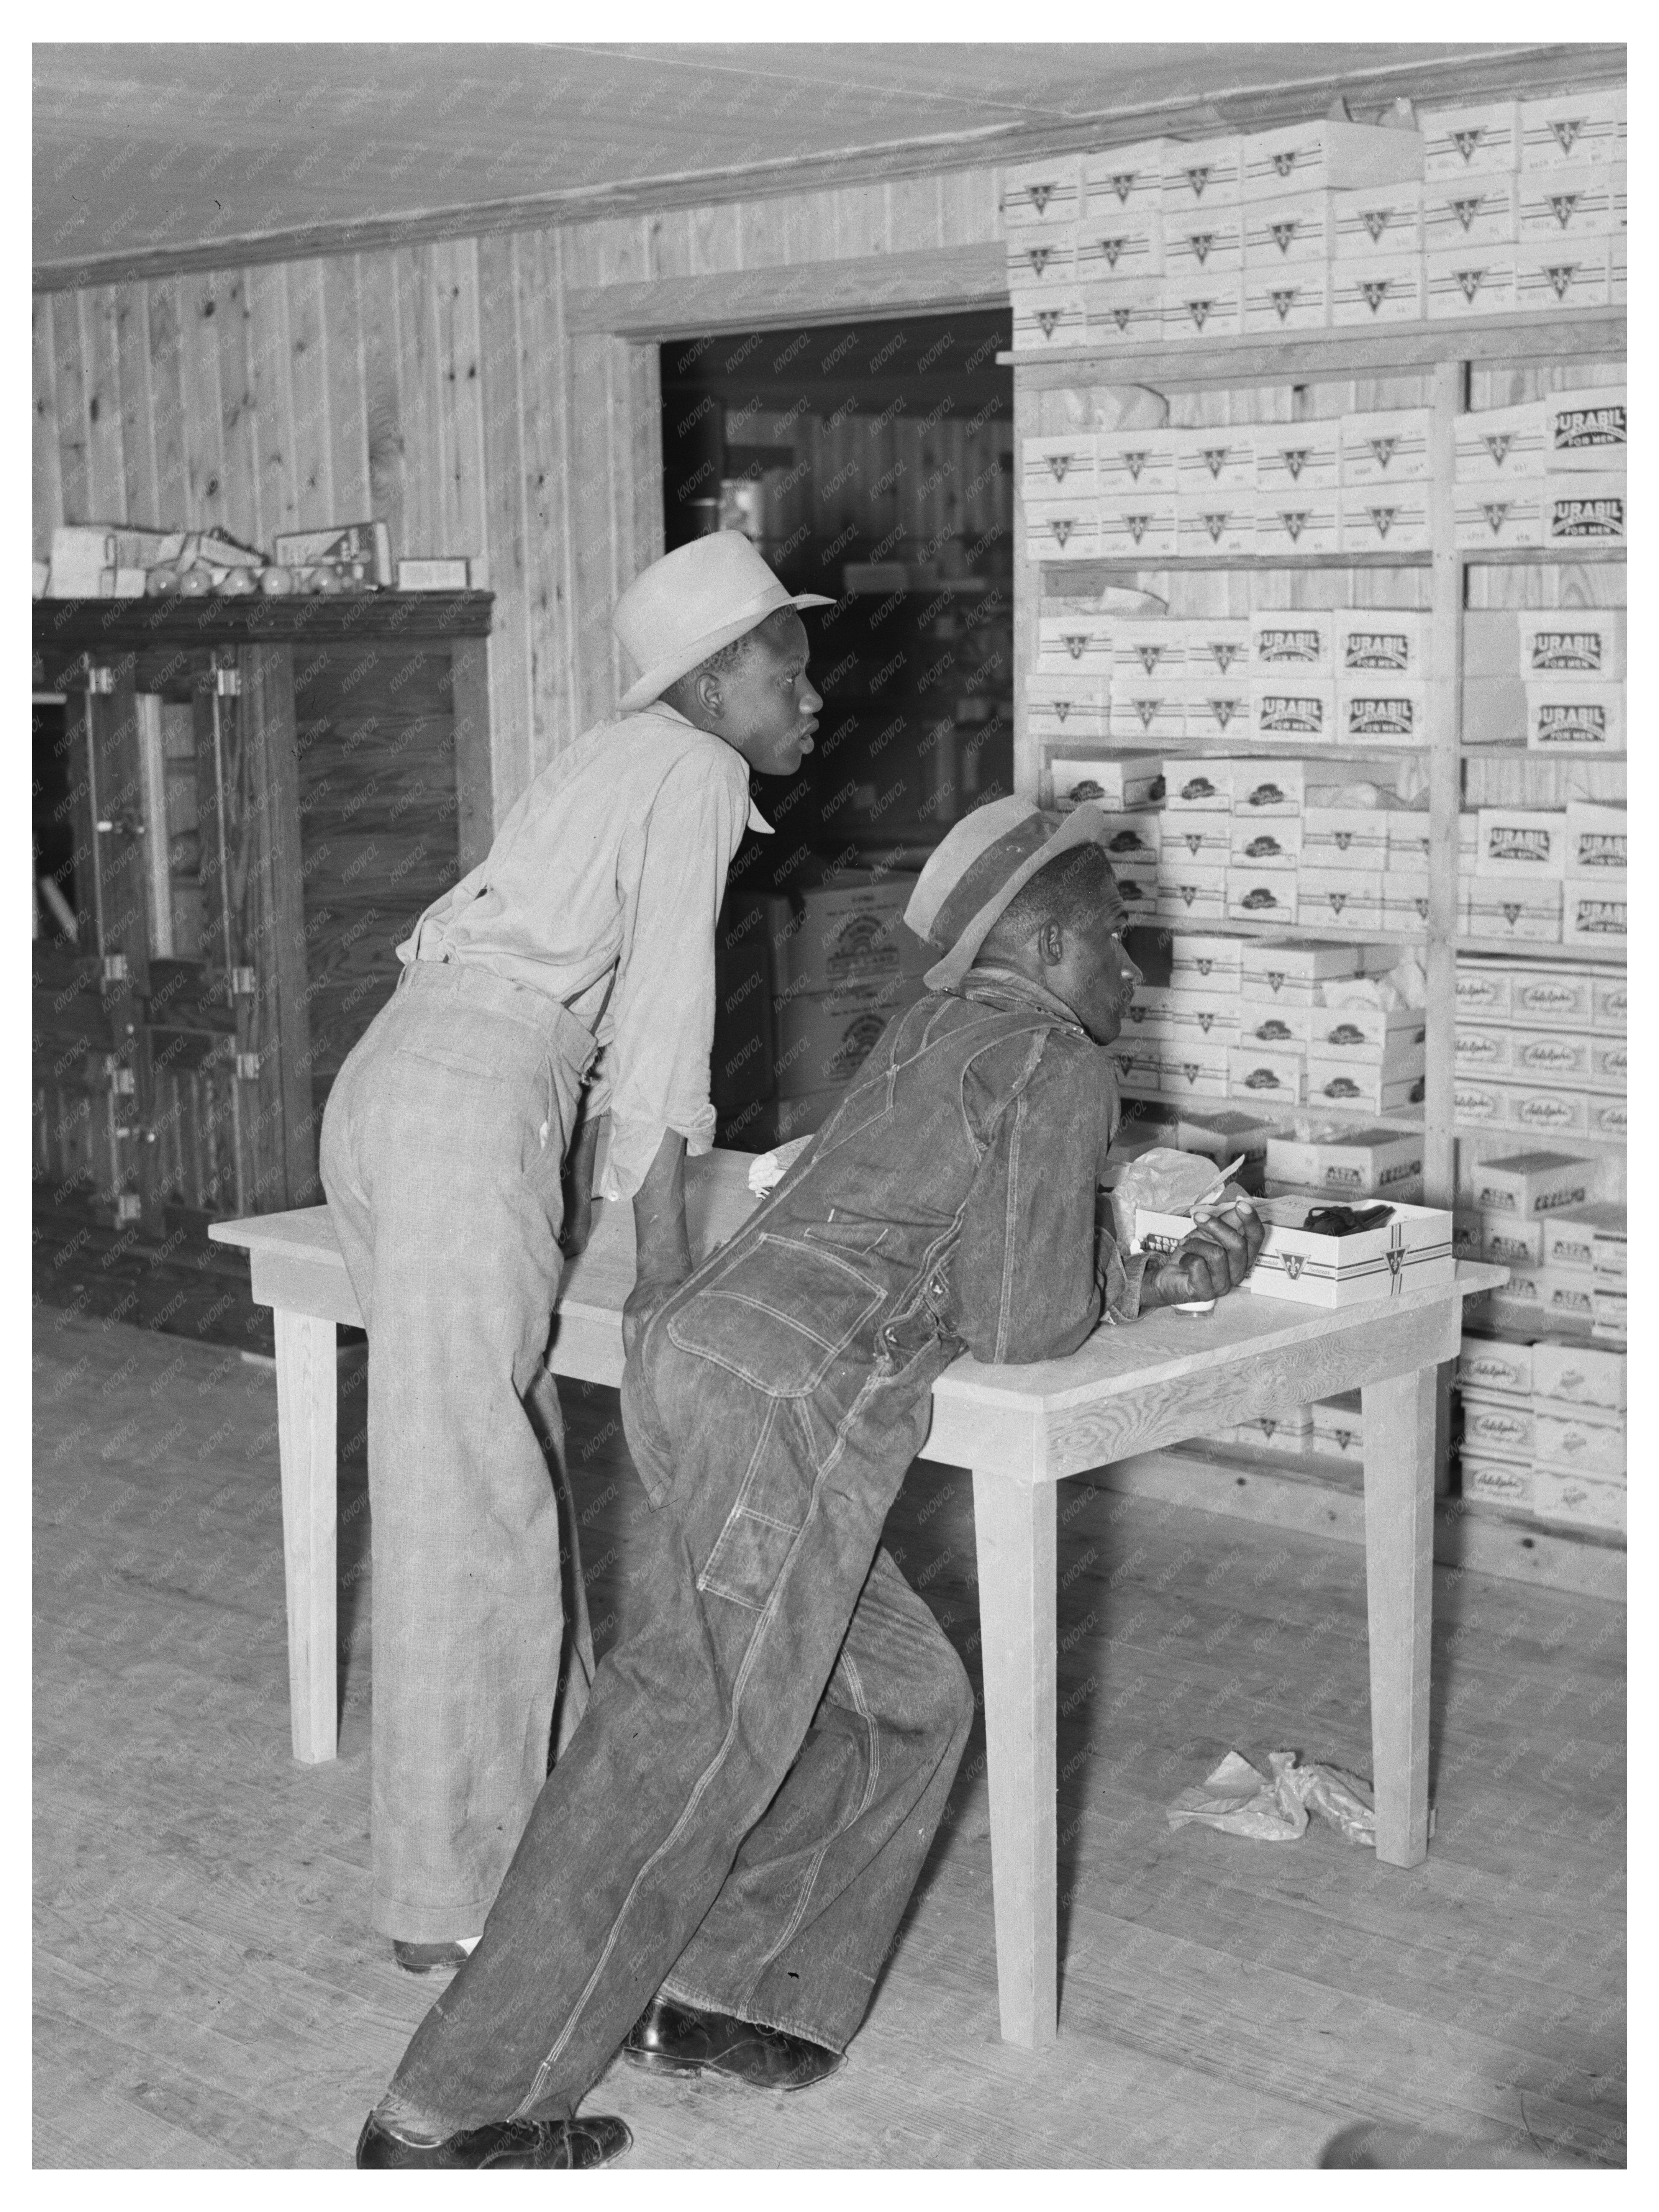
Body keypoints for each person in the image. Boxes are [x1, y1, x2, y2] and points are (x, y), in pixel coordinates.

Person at [353, 795, 1264, 2168]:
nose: (1137, 970)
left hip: (705, 1363)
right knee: (683, 1743)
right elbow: (1017, 1319)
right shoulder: (1054, 1064)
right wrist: (1142, 1280)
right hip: (795, 1409)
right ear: (1052, 942)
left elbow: (958, 1253)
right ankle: (455, 2108)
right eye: (1121, 940)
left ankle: (737, 1994)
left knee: (908, 1701)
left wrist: (1124, 1272)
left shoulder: (943, 1030)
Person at [318, 534, 830, 1973]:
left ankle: (534, 1831)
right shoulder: (695, 772)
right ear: (719, 679)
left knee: (491, 1463)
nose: (810, 702)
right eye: (788, 674)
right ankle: (457, 1902)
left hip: (396, 1086)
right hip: (469, 1108)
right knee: (472, 1504)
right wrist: (666, 1276)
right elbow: (664, 1037)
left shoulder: (614, 754)